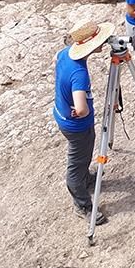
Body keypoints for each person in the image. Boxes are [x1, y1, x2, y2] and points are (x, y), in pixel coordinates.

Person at [52, 20, 113, 220]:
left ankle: (86, 178)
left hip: (62, 116)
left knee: (83, 157)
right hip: (77, 126)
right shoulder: (79, 73)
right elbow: (81, 108)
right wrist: (82, 112)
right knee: (76, 165)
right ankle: (83, 205)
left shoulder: (64, 54)